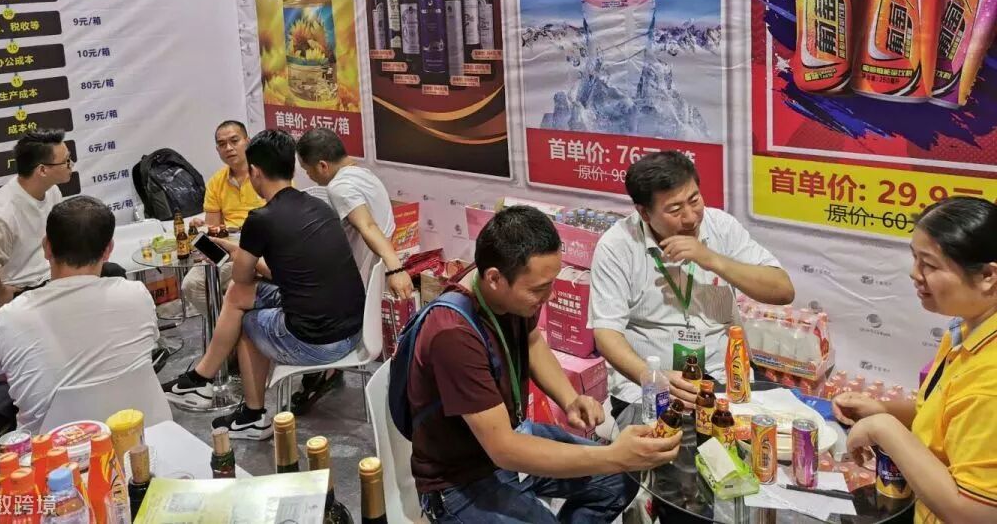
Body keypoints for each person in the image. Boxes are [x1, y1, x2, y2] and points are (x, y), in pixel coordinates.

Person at [409, 205, 679, 523]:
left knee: (619, 480)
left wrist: (570, 399)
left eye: (551, 282)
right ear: (494, 278)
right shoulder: (452, 334)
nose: (548, 296)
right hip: (464, 477)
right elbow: (503, 449)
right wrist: (612, 455)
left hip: (512, 437)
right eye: (539, 289)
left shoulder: (506, 290)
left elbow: (533, 342)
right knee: (615, 463)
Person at [163, 130, 365, 438]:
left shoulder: (261, 218)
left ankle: (251, 414)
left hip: (319, 344)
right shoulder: (319, 205)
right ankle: (201, 380)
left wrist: (237, 253)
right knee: (238, 295)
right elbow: (291, 273)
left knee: (245, 317)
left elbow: (242, 276)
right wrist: (238, 250)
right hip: (354, 330)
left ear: (255, 172)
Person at [590, 152, 794, 420]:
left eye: (694, 200)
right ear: (644, 212)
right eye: (674, 210)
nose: (690, 218)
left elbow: (783, 290)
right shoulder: (617, 246)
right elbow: (606, 334)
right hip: (649, 387)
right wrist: (653, 377)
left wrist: (713, 260)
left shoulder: (721, 226)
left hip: (723, 380)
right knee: (662, 445)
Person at [835, 197, 997, 524]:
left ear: (987, 276)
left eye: (930, 265)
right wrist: (884, 409)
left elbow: (976, 513)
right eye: (915, 258)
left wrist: (885, 428)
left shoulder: (989, 383)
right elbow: (947, 417)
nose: (915, 274)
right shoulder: (966, 329)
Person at [0, 197, 159, 435]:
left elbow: (2, 372)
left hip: (52, 447)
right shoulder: (137, 294)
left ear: (46, 247)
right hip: (140, 428)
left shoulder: (11, 316)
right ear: (108, 250)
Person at [293, 127, 412, 411]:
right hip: (363, 292)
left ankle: (316, 370)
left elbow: (367, 226)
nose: (309, 177)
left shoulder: (339, 187)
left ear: (323, 165)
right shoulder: (365, 175)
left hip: (350, 298)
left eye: (308, 171)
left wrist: (395, 268)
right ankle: (325, 372)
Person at [0, 129, 75, 308]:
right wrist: (1, 293)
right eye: (66, 161)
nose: (71, 164)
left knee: (110, 273)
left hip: (51, 279)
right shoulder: (3, 212)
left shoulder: (52, 190)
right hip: (22, 290)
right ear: (42, 170)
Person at [180, 120, 265, 316]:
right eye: (222, 144)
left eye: (234, 141)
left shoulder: (267, 173)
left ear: (247, 141)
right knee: (191, 284)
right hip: (230, 247)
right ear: (217, 150)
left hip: (262, 247)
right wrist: (202, 228)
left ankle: (231, 328)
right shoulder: (216, 181)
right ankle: (229, 327)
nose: (228, 148)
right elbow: (214, 230)